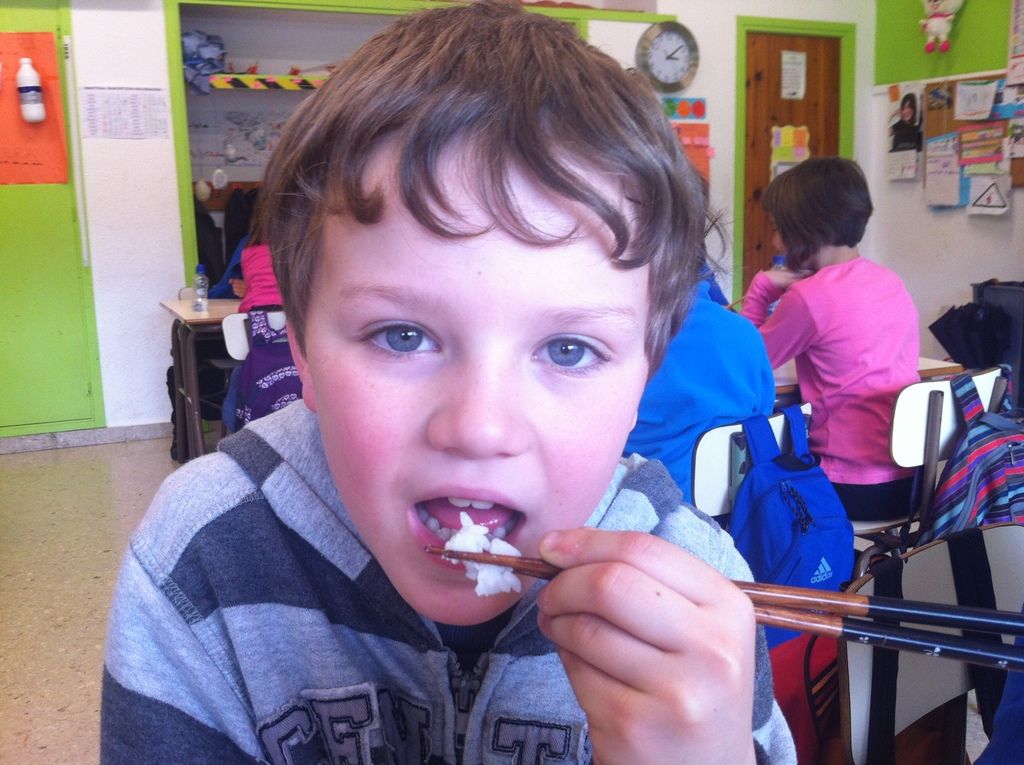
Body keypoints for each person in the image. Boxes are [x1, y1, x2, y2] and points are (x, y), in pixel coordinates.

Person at [101, 3, 796, 764]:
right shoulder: (204, 558)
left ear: (643, 379)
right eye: (403, 336)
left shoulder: (705, 597)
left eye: (567, 349)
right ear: (300, 347)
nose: (479, 426)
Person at [740, 157, 920, 522]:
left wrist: (760, 290)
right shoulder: (889, 281)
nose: (775, 240)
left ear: (806, 227)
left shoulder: (810, 297)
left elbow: (746, 363)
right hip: (912, 482)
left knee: (745, 496)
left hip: (847, 486)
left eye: (779, 227)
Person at [625, 263, 775, 503]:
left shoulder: (619, 332)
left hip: (632, 510)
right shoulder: (744, 334)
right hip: (732, 513)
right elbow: (763, 417)